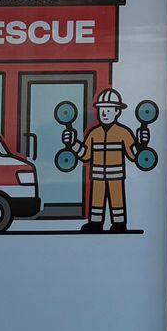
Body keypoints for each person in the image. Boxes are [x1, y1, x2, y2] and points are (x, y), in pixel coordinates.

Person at [63, 88, 150, 233]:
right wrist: (73, 143)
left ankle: (119, 224)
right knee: (96, 202)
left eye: (109, 110)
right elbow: (85, 155)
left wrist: (142, 144)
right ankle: (95, 224)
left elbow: (134, 155)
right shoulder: (93, 133)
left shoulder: (124, 133)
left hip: (116, 176)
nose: (104, 113)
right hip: (97, 176)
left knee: (117, 202)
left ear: (117, 112)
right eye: (102, 110)